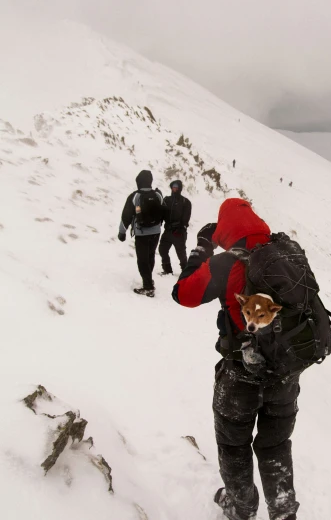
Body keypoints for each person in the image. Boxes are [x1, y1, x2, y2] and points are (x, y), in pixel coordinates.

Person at [171, 199, 300, 520]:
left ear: (225, 228)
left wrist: (202, 248)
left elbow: (183, 293)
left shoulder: (227, 263)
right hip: (285, 374)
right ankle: (283, 512)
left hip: (239, 377)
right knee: (275, 446)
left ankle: (242, 509)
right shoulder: (288, 255)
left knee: (234, 446)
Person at [117, 170, 163, 297]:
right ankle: (148, 279)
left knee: (142, 260)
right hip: (156, 232)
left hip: (142, 233)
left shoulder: (135, 196)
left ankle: (148, 286)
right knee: (150, 256)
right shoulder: (158, 195)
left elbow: (126, 216)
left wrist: (122, 232)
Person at [158, 179, 192, 275]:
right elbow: (162, 213)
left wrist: (182, 228)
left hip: (179, 232)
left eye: (177, 187)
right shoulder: (166, 200)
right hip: (167, 230)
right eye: (173, 187)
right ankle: (167, 270)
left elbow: (186, 217)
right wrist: (158, 221)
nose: (175, 188)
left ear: (180, 188)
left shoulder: (185, 202)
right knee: (162, 250)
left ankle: (186, 272)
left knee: (181, 254)